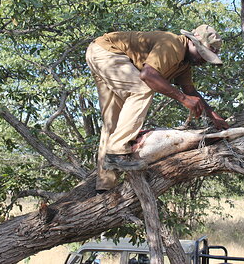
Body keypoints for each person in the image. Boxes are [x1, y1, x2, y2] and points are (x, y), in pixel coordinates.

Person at [86, 25, 229, 192]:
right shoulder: (173, 44)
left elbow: (190, 91)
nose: (203, 61)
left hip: (99, 53)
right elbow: (148, 75)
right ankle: (117, 153)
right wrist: (183, 99)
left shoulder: (184, 64)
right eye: (203, 54)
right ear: (193, 42)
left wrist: (214, 116)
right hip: (107, 52)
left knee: (115, 123)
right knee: (143, 89)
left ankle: (105, 187)